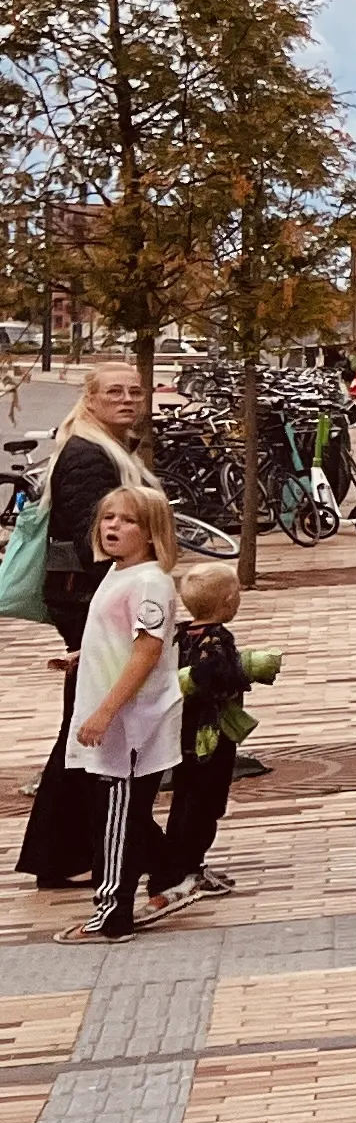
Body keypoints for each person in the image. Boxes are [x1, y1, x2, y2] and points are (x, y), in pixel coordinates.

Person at [17, 362, 158, 890]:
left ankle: (73, 851)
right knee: (94, 722)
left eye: (134, 391)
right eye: (114, 392)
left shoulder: (108, 446)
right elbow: (92, 535)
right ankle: (74, 852)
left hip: (95, 598)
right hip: (90, 602)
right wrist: (128, 594)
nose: (127, 399)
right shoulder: (86, 454)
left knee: (94, 722)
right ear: (92, 399)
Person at [64, 486, 181, 940]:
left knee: (116, 821)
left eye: (127, 520)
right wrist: (82, 656)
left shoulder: (149, 582)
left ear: (152, 533)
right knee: (113, 815)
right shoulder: (118, 574)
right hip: (114, 723)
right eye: (108, 517)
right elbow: (121, 640)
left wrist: (104, 713)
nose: (112, 526)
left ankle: (112, 913)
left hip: (129, 727)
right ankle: (171, 874)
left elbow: (147, 651)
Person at [152, 561, 270, 914]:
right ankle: (188, 868)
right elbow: (212, 678)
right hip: (211, 736)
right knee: (205, 805)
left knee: (185, 799)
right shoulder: (217, 639)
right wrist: (245, 671)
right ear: (229, 601)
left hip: (181, 735)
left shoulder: (179, 634)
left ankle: (179, 864)